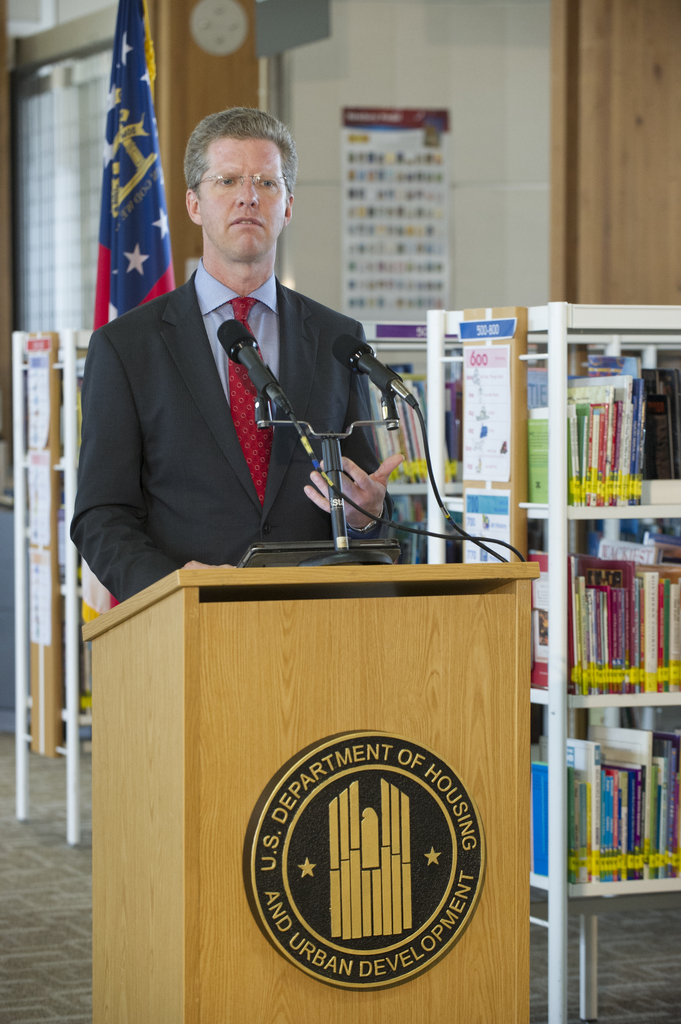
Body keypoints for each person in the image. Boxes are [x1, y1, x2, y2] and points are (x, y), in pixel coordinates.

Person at [71, 107, 403, 601]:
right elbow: (101, 515)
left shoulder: (338, 339)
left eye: (267, 183)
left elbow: (362, 493)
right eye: (227, 180)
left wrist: (367, 513)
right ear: (194, 203)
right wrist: (175, 591)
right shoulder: (126, 347)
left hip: (316, 625)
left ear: (288, 205)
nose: (248, 196)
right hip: (187, 625)